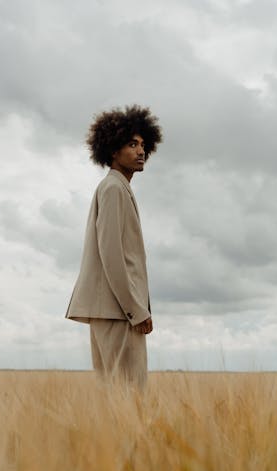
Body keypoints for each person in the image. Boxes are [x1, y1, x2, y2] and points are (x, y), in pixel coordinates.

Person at [65, 105, 163, 389]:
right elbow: (111, 254)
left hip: (113, 310)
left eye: (143, 145)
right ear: (112, 150)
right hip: (118, 312)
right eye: (132, 144)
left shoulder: (117, 187)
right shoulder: (113, 188)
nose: (141, 151)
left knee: (116, 398)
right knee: (129, 398)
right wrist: (136, 310)